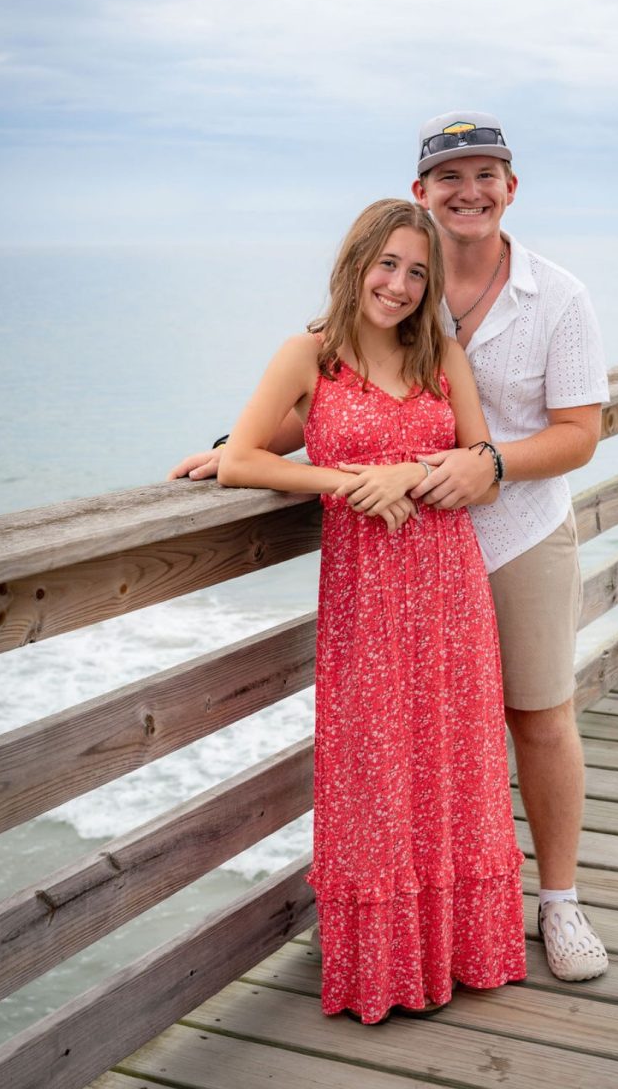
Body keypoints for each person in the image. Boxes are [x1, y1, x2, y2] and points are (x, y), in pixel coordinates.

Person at [169, 110, 611, 982]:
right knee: (390, 744)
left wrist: (479, 464)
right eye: (451, 177)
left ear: (510, 189)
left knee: (537, 715)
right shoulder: (409, 288)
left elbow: (579, 435)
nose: (469, 190)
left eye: (487, 174)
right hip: (388, 564)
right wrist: (243, 449)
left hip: (513, 530)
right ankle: (400, 930)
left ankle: (559, 904)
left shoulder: (556, 297)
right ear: (422, 194)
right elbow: (337, 392)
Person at [215, 198, 527, 1024]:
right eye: (387, 265)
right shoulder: (308, 357)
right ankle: (388, 968)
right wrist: (350, 482)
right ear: (356, 263)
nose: (399, 285)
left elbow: (478, 457)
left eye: (417, 273)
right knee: (376, 770)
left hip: (449, 590)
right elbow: (242, 460)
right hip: (366, 596)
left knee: (454, 762)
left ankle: (460, 951)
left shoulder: (440, 358)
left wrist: (409, 471)